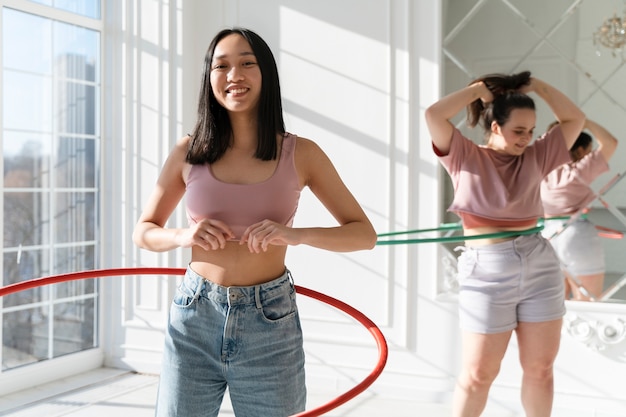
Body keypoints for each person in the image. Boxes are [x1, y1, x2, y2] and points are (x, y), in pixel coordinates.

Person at [132, 27, 377, 417]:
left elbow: (363, 235)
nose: (234, 75)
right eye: (222, 66)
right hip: (194, 316)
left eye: (247, 63)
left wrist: (293, 235)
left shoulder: (303, 153)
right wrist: (185, 234)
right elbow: (143, 231)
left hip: (270, 321)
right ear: (209, 77)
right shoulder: (188, 151)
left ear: (266, 74)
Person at [424, 71, 585, 417]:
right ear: (495, 126)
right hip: (486, 268)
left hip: (539, 264)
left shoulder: (538, 155)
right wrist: (478, 90)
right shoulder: (463, 156)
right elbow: (434, 115)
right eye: (518, 131)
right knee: (479, 374)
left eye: (531, 130)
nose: (527, 139)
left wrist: (538, 86)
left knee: (540, 369)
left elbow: (575, 119)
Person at [541, 119, 618, 301]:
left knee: (553, 304)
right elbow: (610, 143)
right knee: (587, 302)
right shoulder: (578, 171)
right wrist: (584, 121)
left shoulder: (541, 168)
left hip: (546, 236)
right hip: (576, 234)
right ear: (581, 150)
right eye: (589, 151)